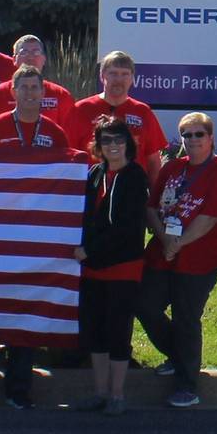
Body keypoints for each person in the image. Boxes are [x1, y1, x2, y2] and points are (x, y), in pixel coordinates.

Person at [141, 112, 217, 407]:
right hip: (162, 252)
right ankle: (177, 355)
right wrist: (165, 240)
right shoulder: (173, 168)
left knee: (186, 317)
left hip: (201, 257)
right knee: (144, 305)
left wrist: (178, 243)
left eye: (199, 134)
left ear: (211, 138)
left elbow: (209, 218)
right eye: (187, 134)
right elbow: (151, 208)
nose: (193, 140)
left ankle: (187, 385)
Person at [73, 118, 150, 415]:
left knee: (118, 330)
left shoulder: (135, 176)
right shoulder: (95, 174)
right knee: (95, 331)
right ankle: (100, 392)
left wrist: (90, 250)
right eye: (106, 140)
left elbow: (128, 228)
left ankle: (117, 395)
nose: (113, 146)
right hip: (92, 267)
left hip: (123, 266)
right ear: (98, 145)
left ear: (128, 143)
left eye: (118, 140)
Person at [67, 50, 167, 178]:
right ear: (102, 76)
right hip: (91, 187)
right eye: (113, 73)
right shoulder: (81, 109)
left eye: (125, 74)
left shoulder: (143, 112)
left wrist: (155, 190)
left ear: (132, 78)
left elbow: (153, 160)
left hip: (132, 188)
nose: (119, 79)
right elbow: (68, 155)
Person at [0, 34, 76, 128]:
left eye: (36, 52)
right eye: (24, 52)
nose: (30, 57)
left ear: (44, 59)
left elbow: (72, 133)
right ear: (14, 60)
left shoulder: (60, 95)